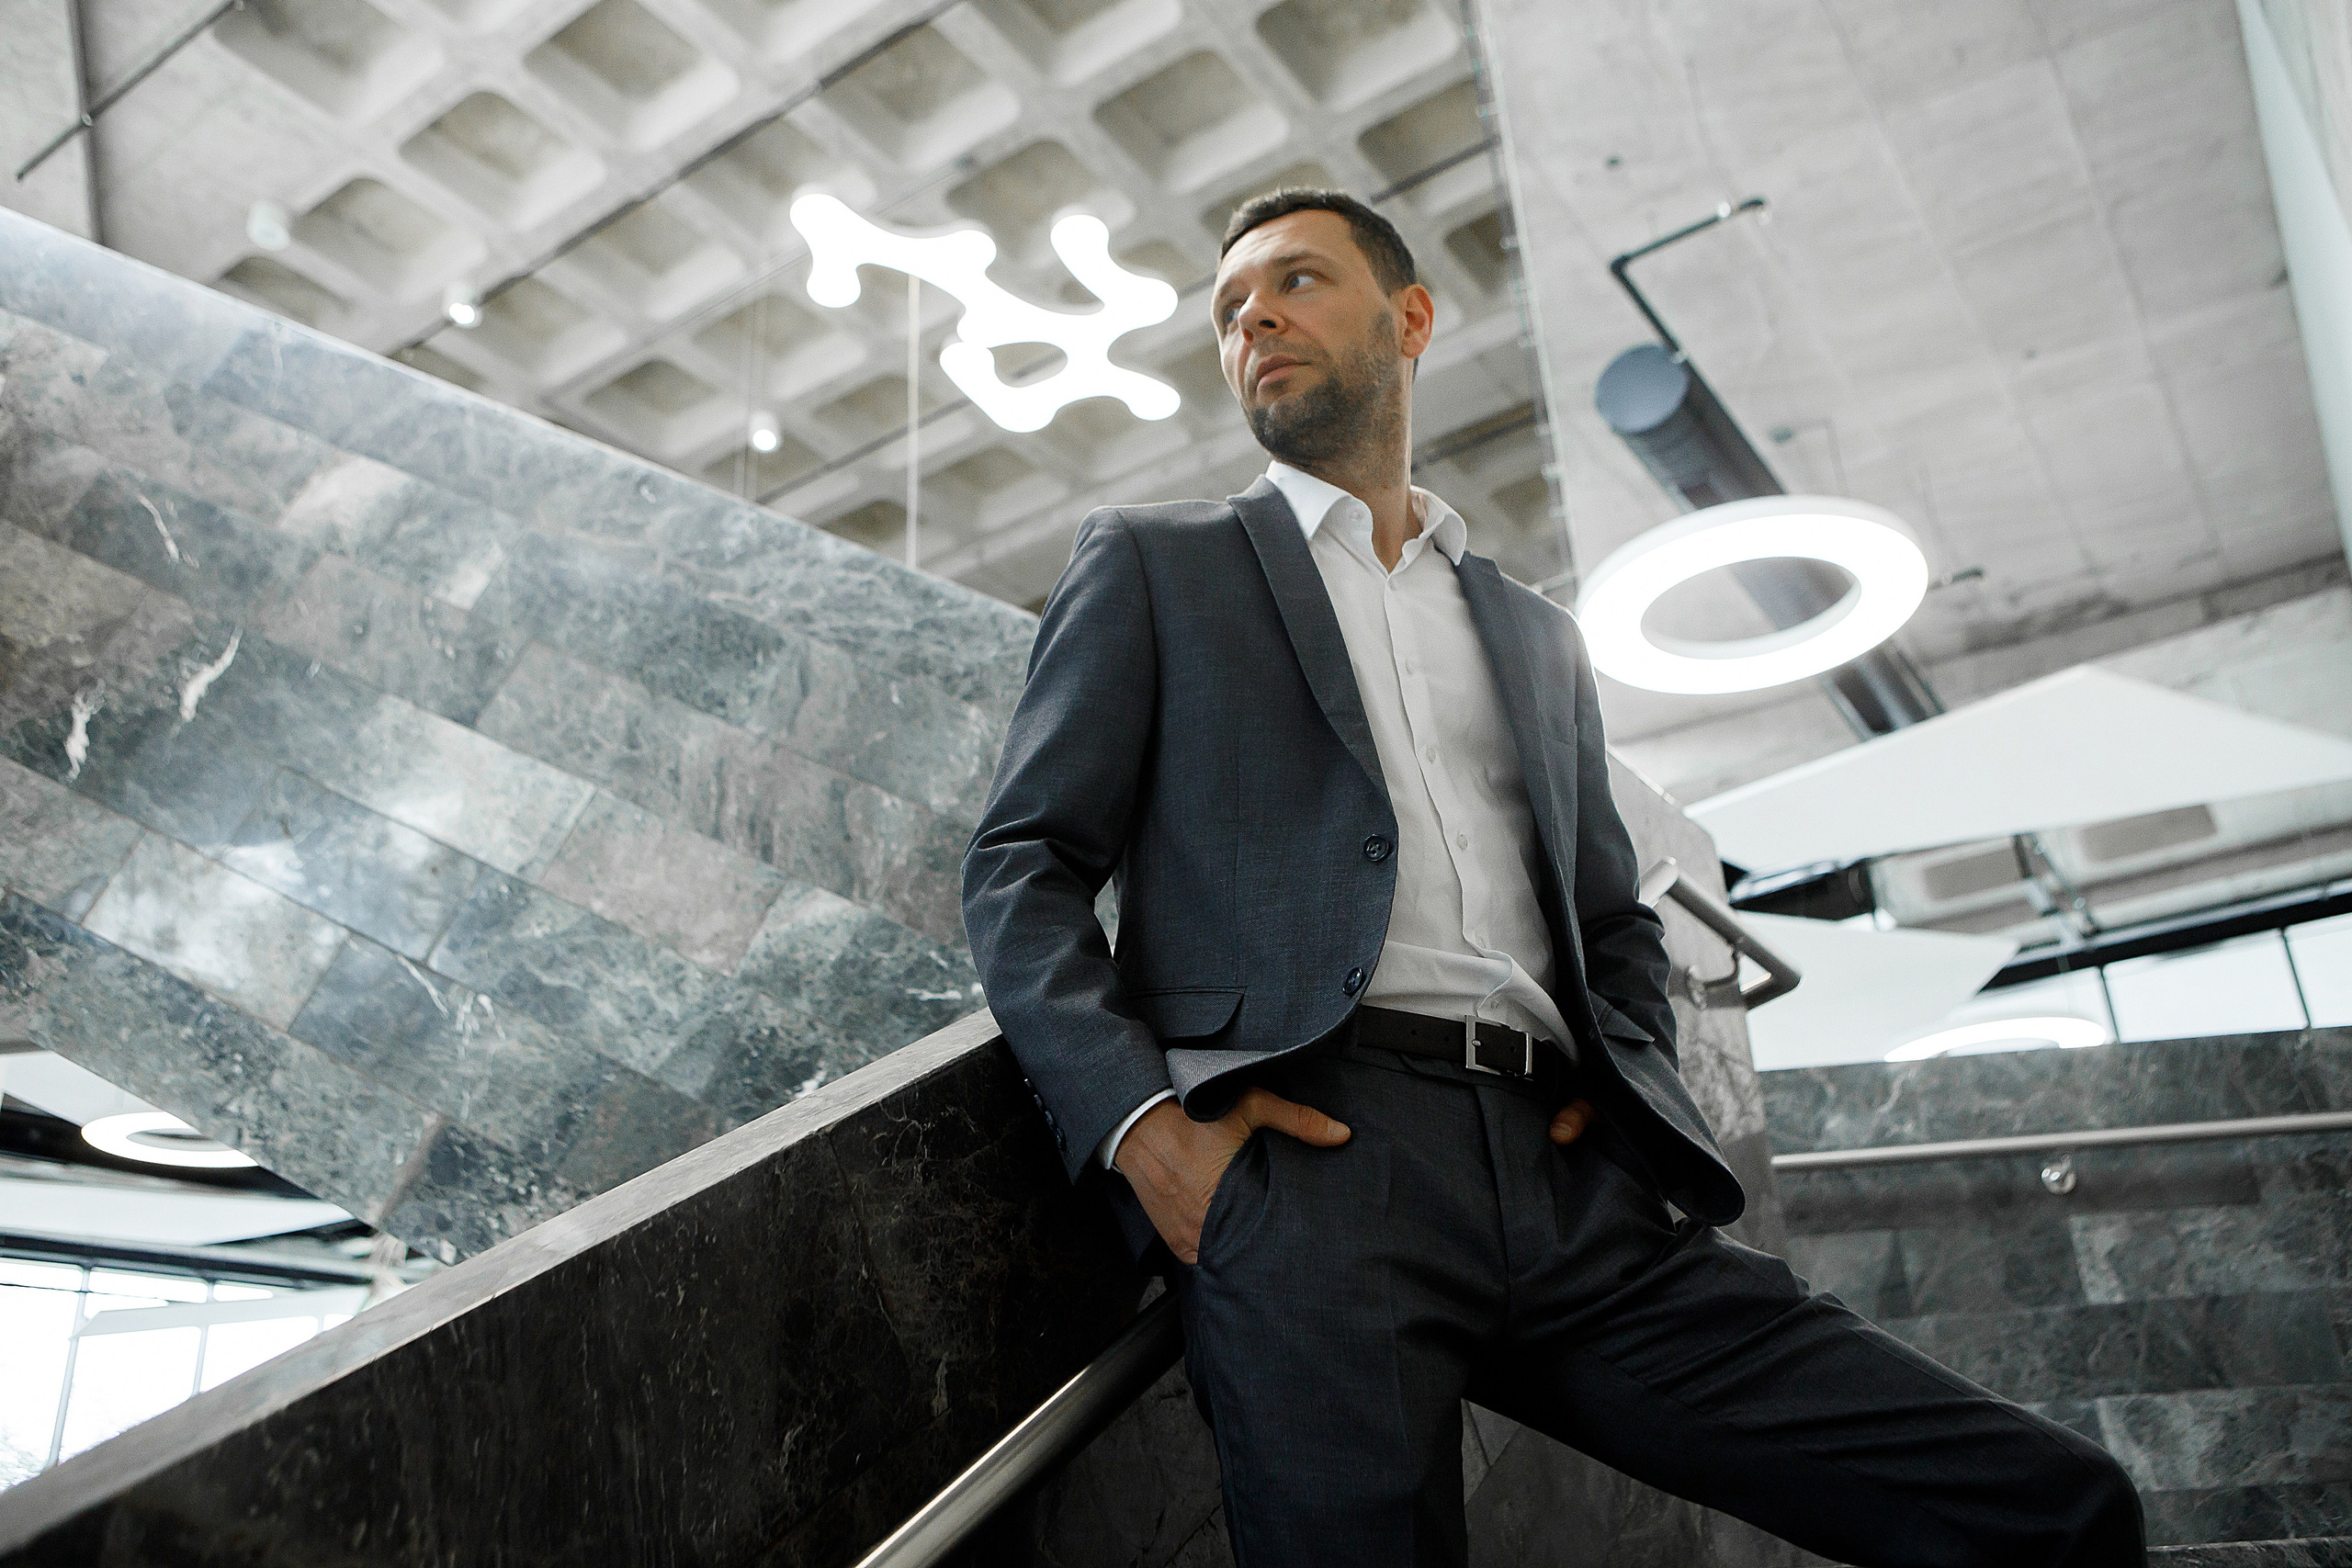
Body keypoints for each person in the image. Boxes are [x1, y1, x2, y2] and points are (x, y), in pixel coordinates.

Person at [960, 186, 2145, 1568]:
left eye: (1294, 283)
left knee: (2049, 1505)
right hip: (1312, 1180)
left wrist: (1619, 1076)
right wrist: (1143, 1130)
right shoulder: (1161, 568)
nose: (1253, 321)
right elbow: (1021, 865)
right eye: (1230, 311)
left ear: (1410, 318)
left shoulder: (1532, 634)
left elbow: (1610, 915)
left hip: (1570, 1181)